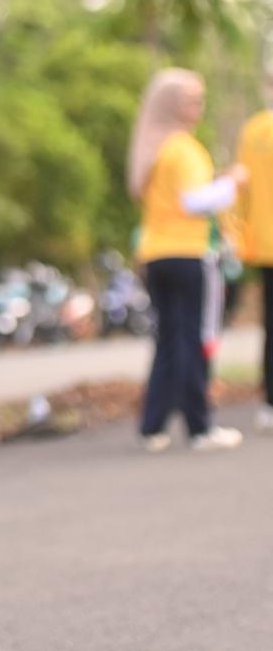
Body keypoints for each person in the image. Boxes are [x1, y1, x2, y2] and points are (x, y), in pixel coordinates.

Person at [127, 69, 247, 453]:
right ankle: (200, 426)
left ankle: (152, 426)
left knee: (168, 340)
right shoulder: (184, 148)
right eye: (192, 100)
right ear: (171, 105)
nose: (199, 107)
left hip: (155, 256)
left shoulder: (154, 149)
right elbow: (195, 201)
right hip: (189, 254)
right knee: (195, 339)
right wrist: (232, 182)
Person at [235, 72, 273, 433]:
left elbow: (241, 191)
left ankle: (269, 403)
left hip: (264, 243)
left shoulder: (254, 130)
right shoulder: (255, 131)